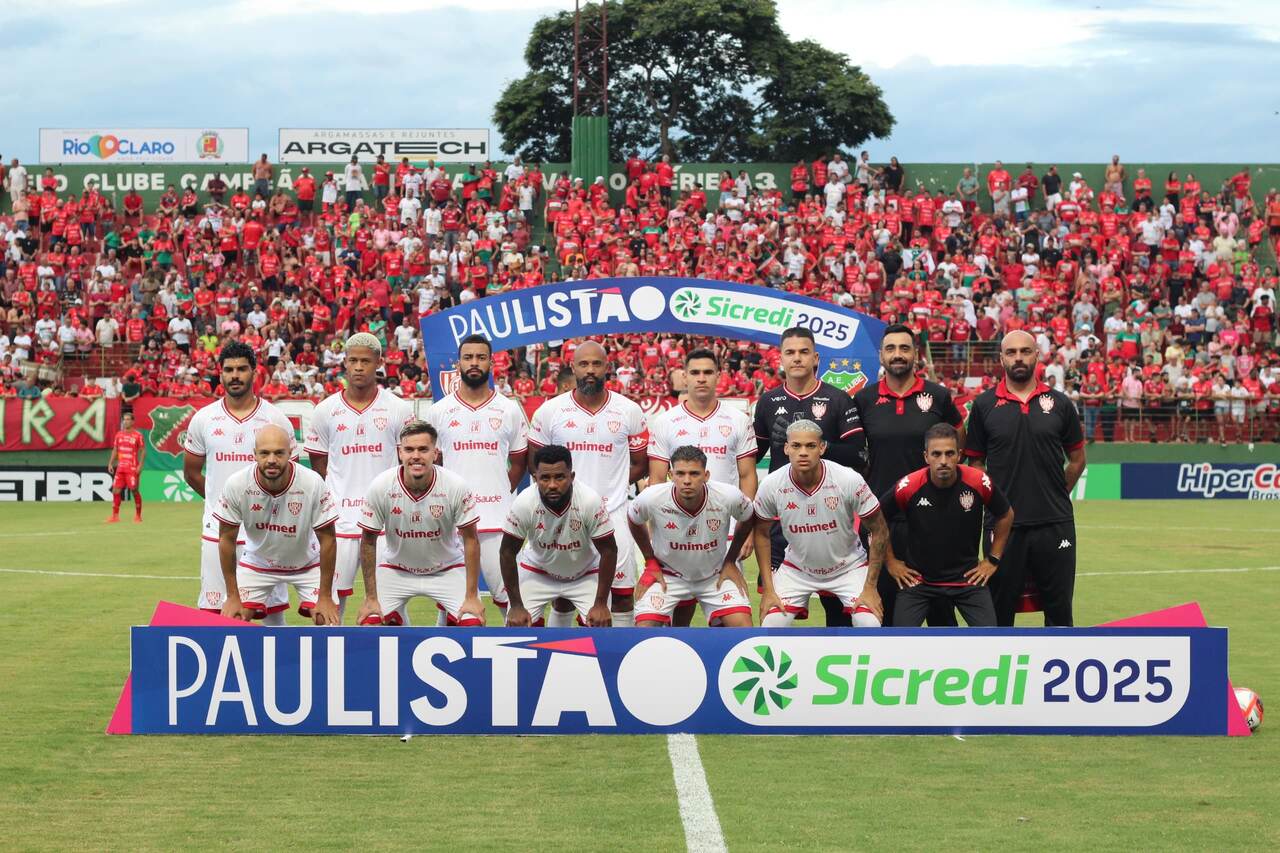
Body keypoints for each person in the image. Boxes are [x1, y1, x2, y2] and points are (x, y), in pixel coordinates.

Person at [964, 330, 1086, 626]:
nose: (1018, 357)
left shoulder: (1060, 403)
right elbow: (976, 463)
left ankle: (1058, 669)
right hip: (1004, 526)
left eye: (1025, 351)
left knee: (1059, 613)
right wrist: (996, 502)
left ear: (1037, 355)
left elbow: (1077, 459)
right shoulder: (984, 405)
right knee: (999, 612)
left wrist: (1056, 491)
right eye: (1011, 352)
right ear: (1001, 359)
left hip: (1054, 522)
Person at [752, 326, 866, 626]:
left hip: (831, 519)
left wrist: (813, 445)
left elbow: (858, 455)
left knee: (838, 614)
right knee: (774, 612)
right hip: (783, 521)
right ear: (781, 359)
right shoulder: (768, 402)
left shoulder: (838, 399)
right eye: (790, 352)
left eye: (804, 352)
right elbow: (749, 457)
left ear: (816, 358)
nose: (797, 358)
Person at [528, 340, 647, 627]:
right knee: (564, 595)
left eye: (596, 364)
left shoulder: (629, 411)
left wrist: (614, 483)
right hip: (565, 517)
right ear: (573, 367)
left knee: (620, 596)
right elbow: (535, 464)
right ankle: (560, 654)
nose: (590, 370)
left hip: (614, 514)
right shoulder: (550, 411)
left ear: (608, 367)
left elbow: (640, 464)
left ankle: (620, 659)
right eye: (584, 364)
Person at [855, 323, 965, 625]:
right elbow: (855, 452)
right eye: (890, 348)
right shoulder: (864, 400)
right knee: (886, 609)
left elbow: (959, 435)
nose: (898, 354)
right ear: (880, 355)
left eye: (904, 348)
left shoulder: (938, 396)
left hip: (933, 517)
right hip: (883, 519)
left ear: (915, 354)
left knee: (941, 612)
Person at [304, 332, 414, 622]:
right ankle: (324, 661)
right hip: (338, 522)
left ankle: (398, 662)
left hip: (386, 523)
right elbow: (319, 464)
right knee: (328, 606)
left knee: (390, 609)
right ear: (344, 363)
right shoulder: (325, 410)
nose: (358, 367)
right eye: (352, 360)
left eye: (365, 361)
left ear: (378, 363)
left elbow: (408, 462)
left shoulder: (399, 409)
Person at [183, 342, 292, 622]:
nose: (235, 375)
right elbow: (192, 473)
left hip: (268, 529)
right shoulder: (203, 419)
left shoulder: (276, 418)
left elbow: (289, 473)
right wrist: (220, 504)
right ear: (220, 374)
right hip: (218, 530)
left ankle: (277, 666)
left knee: (271, 615)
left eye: (242, 369)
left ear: (254, 373)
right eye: (229, 370)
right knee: (219, 612)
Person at [649, 347, 758, 625]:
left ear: (719, 376)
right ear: (683, 377)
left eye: (708, 372)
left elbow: (747, 475)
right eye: (695, 373)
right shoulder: (666, 421)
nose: (701, 378)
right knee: (676, 619)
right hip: (676, 534)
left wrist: (747, 531)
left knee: (728, 623)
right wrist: (655, 532)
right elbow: (657, 481)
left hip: (724, 535)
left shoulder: (738, 420)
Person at [424, 334, 529, 618]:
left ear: (491, 363)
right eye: (468, 357)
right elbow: (436, 465)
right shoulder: (439, 411)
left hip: (498, 521)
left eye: (481, 357)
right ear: (458, 364)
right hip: (452, 524)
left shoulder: (508, 410)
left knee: (513, 603)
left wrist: (499, 491)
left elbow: (520, 461)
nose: (474, 363)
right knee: (453, 606)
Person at [752, 420, 888, 627]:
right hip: (797, 569)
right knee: (771, 623)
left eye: (811, 446)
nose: (803, 452)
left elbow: (880, 531)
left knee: (869, 622)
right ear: (786, 448)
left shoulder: (848, 479)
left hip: (848, 567)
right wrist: (769, 590)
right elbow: (761, 533)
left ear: (822, 448)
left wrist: (870, 587)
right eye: (796, 446)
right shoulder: (772, 484)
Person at [354, 420, 485, 627]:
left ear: (435, 453)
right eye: (409, 449)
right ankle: (398, 620)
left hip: (447, 568)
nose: (416, 456)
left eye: (423, 449)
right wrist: (370, 598)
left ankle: (448, 621)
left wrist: (471, 596)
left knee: (472, 623)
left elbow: (471, 540)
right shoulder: (381, 485)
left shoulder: (455, 485)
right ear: (400, 453)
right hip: (397, 568)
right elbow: (368, 541)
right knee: (370, 623)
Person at [882, 424, 1014, 627]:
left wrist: (993, 560)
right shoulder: (908, 486)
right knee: (901, 640)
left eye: (949, 453)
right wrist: (891, 562)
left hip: (968, 580)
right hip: (918, 582)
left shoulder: (978, 481)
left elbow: (1006, 514)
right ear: (926, 456)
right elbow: (876, 520)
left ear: (959, 455)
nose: (943, 461)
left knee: (990, 640)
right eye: (936, 454)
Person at [213, 425, 340, 624]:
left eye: (279, 453)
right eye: (264, 453)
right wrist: (232, 596)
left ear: (290, 452)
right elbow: (226, 540)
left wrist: (324, 596)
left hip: (308, 564)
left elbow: (329, 539)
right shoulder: (237, 484)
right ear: (254, 454)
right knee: (233, 621)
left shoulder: (312, 483)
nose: (271, 460)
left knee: (329, 622)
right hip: (257, 563)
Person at [628, 445, 755, 627]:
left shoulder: (728, 495)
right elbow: (633, 519)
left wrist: (730, 559)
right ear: (671, 475)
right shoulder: (652, 497)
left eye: (694, 474)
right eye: (680, 474)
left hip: (715, 573)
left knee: (743, 629)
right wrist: (650, 560)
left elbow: (748, 516)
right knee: (644, 630)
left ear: (706, 475)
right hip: (667, 573)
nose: (687, 480)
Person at [500, 444, 617, 628]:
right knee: (517, 625)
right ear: (535, 478)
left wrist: (601, 603)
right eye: (545, 478)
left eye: (560, 477)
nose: (552, 485)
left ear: (572, 476)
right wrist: (515, 605)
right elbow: (507, 552)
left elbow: (609, 550)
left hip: (584, 573)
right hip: (538, 571)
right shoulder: (524, 503)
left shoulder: (589, 500)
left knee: (600, 624)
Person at [106, 411, 145, 524]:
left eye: (128, 419)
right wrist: (110, 463)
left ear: (133, 421)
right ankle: (115, 516)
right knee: (115, 490)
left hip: (132, 468)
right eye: (124, 419)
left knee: (134, 490)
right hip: (120, 468)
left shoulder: (138, 435)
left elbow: (143, 451)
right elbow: (115, 450)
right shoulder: (119, 435)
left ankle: (138, 515)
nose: (126, 421)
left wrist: (140, 465)